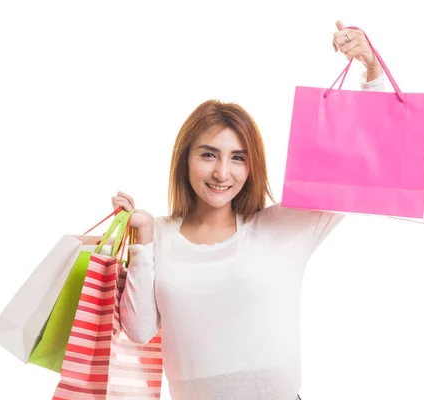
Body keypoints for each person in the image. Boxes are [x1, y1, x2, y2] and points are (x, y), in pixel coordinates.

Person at [114, 20, 387, 400]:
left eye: (237, 158)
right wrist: (141, 241)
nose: (222, 173)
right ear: (185, 159)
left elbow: (359, 173)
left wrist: (372, 72)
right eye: (209, 154)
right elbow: (140, 330)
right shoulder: (158, 234)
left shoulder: (280, 227)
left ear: (252, 165)